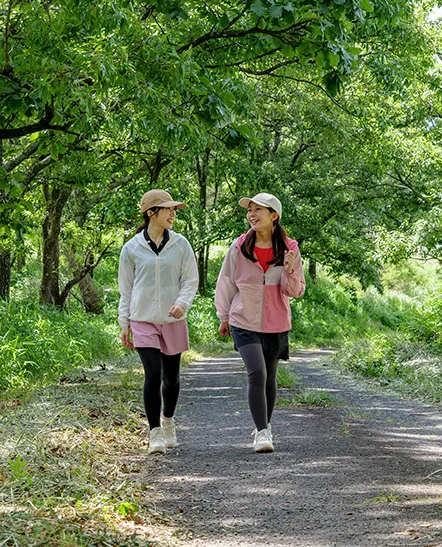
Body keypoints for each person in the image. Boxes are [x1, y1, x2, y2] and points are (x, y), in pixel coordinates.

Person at [215, 192, 305, 453]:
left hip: (276, 322)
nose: (252, 215)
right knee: (257, 373)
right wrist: (223, 316)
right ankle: (262, 433)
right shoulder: (239, 246)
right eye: (249, 210)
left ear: (273, 216)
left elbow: (296, 291)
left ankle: (264, 425)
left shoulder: (290, 249)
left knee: (270, 377)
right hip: (243, 318)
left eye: (258, 210)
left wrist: (289, 271)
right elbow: (226, 282)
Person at [118, 189, 199, 455]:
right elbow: (125, 290)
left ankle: (168, 422)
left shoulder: (180, 244)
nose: (173, 214)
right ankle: (153, 433)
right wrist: (124, 323)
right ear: (151, 213)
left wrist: (182, 303)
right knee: (153, 374)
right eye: (168, 209)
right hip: (142, 319)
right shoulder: (131, 248)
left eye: (174, 209)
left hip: (172, 318)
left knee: (172, 378)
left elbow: (190, 279)